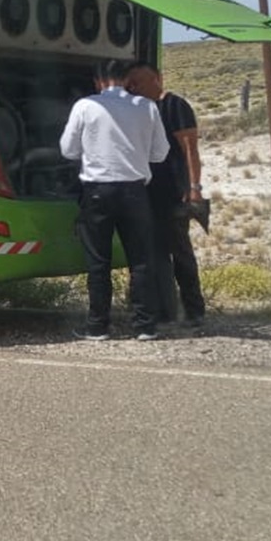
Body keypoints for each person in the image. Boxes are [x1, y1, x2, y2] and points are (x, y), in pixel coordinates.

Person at [58, 58, 169, 341]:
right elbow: (160, 153)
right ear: (127, 80)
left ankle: (98, 326)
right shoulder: (148, 107)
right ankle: (145, 325)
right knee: (141, 260)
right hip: (135, 190)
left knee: (98, 261)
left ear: (97, 81)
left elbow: (68, 149)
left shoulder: (85, 106)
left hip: (97, 191)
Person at [127, 63, 208, 330]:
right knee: (155, 253)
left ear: (156, 79)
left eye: (139, 82)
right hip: (149, 190)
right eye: (132, 84)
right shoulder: (142, 110)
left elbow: (190, 148)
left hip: (174, 190)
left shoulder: (174, 106)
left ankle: (194, 310)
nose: (135, 88)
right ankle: (165, 310)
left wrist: (194, 186)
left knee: (180, 251)